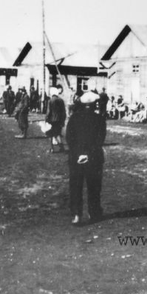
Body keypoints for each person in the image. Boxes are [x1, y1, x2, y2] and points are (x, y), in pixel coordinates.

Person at [66, 91, 107, 225]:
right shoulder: (100, 119)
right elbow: (100, 140)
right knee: (94, 186)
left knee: (75, 186)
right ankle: (93, 213)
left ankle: (76, 215)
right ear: (95, 104)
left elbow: (69, 139)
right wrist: (88, 154)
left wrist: (79, 154)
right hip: (94, 157)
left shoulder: (73, 118)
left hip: (75, 158)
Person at [45, 85, 67, 153]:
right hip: (59, 120)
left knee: (49, 134)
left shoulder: (50, 101)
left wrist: (46, 119)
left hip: (51, 120)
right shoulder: (61, 100)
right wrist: (63, 120)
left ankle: (51, 148)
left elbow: (48, 112)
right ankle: (61, 147)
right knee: (57, 134)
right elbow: (63, 112)